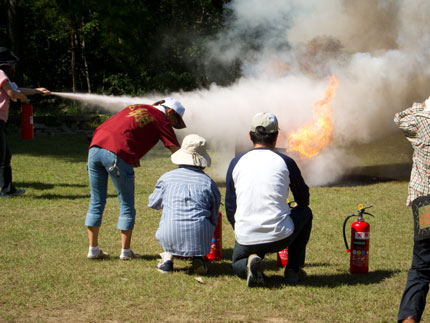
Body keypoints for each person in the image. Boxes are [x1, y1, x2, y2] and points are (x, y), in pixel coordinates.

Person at [85, 97, 186, 260]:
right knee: (126, 204)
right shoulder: (161, 118)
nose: (173, 124)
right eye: (175, 120)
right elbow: (175, 149)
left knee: (96, 201)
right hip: (116, 154)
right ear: (170, 111)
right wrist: (191, 168)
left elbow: (126, 130)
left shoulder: (137, 107)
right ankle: (125, 252)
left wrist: (133, 155)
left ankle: (93, 249)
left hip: (95, 148)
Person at [225, 112, 313, 287]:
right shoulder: (286, 161)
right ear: (276, 136)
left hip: (246, 235)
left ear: (250, 136)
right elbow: (303, 199)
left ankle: (249, 263)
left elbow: (230, 205)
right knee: (305, 213)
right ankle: (292, 270)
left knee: (236, 264)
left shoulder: (236, 162)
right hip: (281, 236)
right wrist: (295, 206)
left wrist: (241, 229)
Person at [148, 134, 221, 274]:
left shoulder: (167, 178)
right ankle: (198, 257)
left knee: (169, 220)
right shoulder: (208, 182)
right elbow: (214, 214)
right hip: (201, 236)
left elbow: (153, 203)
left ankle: (167, 260)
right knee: (201, 223)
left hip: (168, 234)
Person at [395, 96, 430, 323]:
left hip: (426, 203)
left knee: (421, 264)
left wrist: (422, 107)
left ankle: (409, 318)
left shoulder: (420, 124)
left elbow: (399, 117)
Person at [0, 47, 50, 197]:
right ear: (4, 64)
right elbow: (13, 93)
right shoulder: (0, 73)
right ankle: (7, 190)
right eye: (12, 64)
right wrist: (22, 98)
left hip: (1, 122)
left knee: (5, 156)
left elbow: (16, 89)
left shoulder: (4, 78)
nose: (13, 67)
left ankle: (8, 189)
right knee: (2, 157)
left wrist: (36, 91)